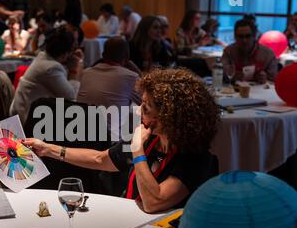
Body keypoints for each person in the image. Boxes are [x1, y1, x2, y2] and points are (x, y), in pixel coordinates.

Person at [25, 68, 220, 213]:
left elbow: (154, 202)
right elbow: (100, 159)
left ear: (169, 116)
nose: (138, 111)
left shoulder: (196, 157)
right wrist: (48, 149)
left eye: (146, 108)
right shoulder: (149, 138)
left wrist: (137, 151)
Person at [9, 26, 84, 123]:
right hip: (26, 123)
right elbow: (70, 98)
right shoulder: (51, 68)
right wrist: (75, 69)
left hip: (23, 115)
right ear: (66, 52)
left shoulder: (43, 58)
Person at [78, 36, 141, 109]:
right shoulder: (131, 77)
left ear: (103, 55)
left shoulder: (86, 73)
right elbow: (150, 102)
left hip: (81, 119)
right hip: (111, 120)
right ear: (127, 57)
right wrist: (138, 72)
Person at [222, 19, 278, 84]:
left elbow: (274, 80)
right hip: (234, 90)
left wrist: (265, 78)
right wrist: (231, 76)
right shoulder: (228, 51)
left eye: (248, 36)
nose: (244, 40)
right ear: (235, 37)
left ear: (254, 36)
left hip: (259, 91)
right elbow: (220, 74)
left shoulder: (268, 54)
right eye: (240, 36)